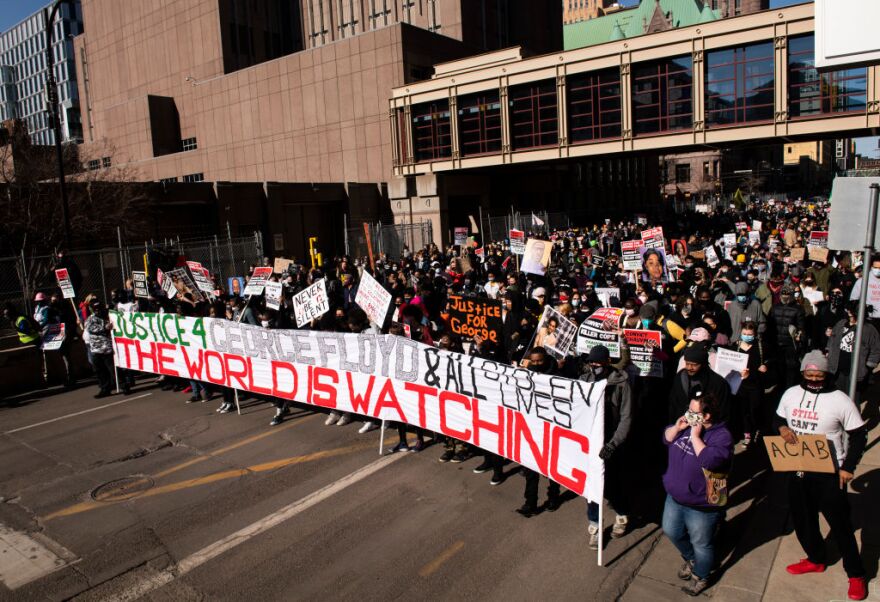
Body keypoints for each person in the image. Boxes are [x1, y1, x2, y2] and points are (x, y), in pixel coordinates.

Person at [774, 350, 868, 602]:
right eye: (810, 375)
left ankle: (856, 574)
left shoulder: (840, 400)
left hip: (829, 473)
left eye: (819, 376)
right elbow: (778, 417)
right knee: (803, 521)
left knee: (841, 527)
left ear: (827, 375)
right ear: (803, 372)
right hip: (797, 467)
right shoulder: (791, 393)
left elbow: (859, 435)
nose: (814, 380)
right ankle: (816, 558)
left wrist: (848, 467)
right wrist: (782, 427)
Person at [662, 392, 733, 597]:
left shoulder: (722, 436)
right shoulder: (687, 426)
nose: (688, 415)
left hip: (701, 504)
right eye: (688, 410)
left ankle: (701, 574)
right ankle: (691, 559)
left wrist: (694, 436)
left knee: (701, 543)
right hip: (675, 497)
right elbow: (666, 438)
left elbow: (710, 461)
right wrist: (678, 428)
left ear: (707, 416)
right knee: (672, 531)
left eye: (693, 412)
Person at [581, 345, 633, 550]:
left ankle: (621, 514)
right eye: (591, 362)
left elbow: (626, 417)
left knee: (612, 487)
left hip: (611, 443)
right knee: (591, 488)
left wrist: (614, 443)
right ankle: (594, 526)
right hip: (590, 444)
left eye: (598, 363)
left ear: (607, 362)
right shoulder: (584, 381)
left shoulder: (621, 383)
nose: (594, 366)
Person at [516, 347, 561, 517]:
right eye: (533, 361)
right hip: (533, 426)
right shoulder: (529, 372)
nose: (535, 364)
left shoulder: (556, 374)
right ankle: (530, 503)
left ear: (546, 359)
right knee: (530, 468)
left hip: (551, 426)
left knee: (551, 466)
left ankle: (553, 497)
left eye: (539, 361)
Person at [825, 301, 880, 394]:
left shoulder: (869, 330)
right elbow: (832, 339)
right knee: (836, 395)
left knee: (853, 399)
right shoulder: (841, 323)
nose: (848, 314)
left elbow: (876, 351)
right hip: (837, 370)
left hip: (855, 372)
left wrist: (867, 367)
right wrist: (828, 352)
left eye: (851, 313)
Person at [668, 344, 731, 423]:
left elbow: (722, 412)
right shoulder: (680, 377)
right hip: (680, 426)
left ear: (703, 364)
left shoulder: (718, 383)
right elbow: (673, 404)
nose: (690, 368)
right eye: (687, 364)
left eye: (694, 365)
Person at [84, 299, 116, 398]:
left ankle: (122, 385)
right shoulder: (90, 319)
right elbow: (91, 329)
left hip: (108, 348)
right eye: (95, 309)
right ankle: (105, 388)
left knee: (113, 369)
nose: (98, 311)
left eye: (99, 308)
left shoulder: (108, 316)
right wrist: (105, 328)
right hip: (96, 349)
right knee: (100, 371)